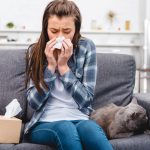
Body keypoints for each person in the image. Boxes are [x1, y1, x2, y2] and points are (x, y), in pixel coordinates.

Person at [25, 0, 114, 150]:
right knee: (65, 128)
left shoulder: (87, 47)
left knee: (91, 130)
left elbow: (86, 99)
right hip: (43, 122)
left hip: (80, 118)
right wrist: (51, 66)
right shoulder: (34, 51)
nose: (60, 37)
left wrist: (64, 67)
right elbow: (33, 103)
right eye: (53, 31)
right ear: (45, 28)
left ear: (76, 30)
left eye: (67, 32)